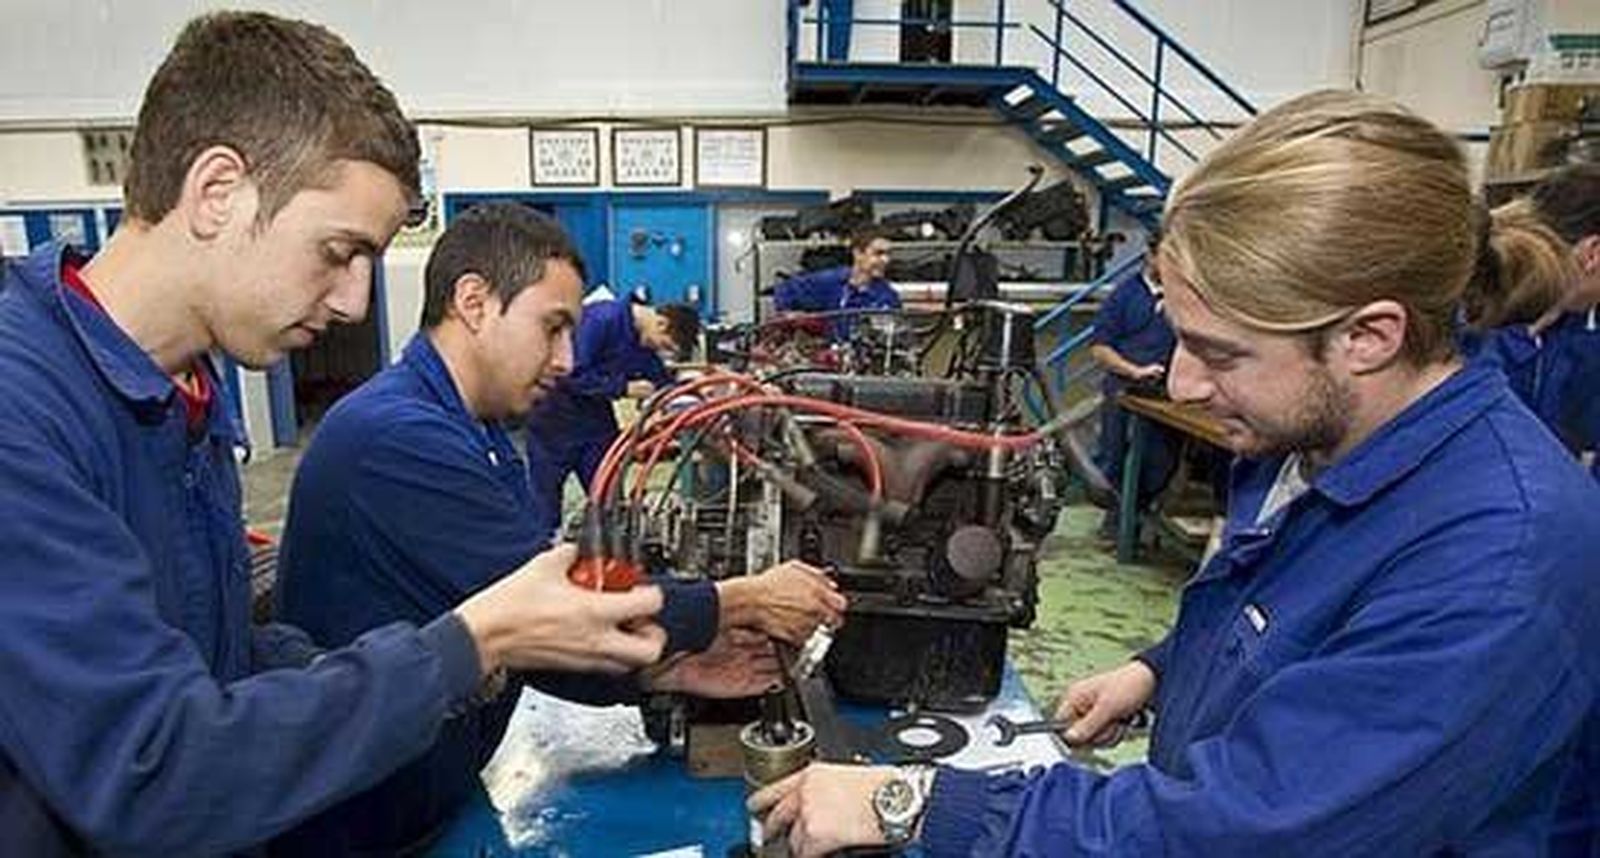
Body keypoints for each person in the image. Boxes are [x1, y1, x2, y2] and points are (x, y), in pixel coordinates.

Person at [748, 90, 1600, 857]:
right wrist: (1160, 669)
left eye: (1221, 351)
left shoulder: (1501, 558)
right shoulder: (1312, 443)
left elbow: (1252, 831)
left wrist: (915, 803)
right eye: (1177, 333)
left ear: (1368, 337)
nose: (1183, 382)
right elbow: (1291, 608)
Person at [0, 13, 672, 855]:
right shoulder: (22, 409)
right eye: (339, 250)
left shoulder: (184, 399)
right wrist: (470, 643)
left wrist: (417, 669)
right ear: (218, 193)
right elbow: (151, 770)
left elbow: (219, 659)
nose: (357, 301)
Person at [273, 203, 847, 855]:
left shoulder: (476, 431)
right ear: (474, 302)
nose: (569, 360)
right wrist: (742, 598)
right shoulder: (397, 438)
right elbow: (565, 600)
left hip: (427, 791)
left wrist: (657, 676)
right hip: (366, 826)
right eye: (552, 328)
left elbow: (523, 626)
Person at [523, 289, 699, 546]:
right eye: (665, 346)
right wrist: (624, 388)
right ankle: (542, 557)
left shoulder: (641, 342)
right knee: (545, 504)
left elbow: (661, 382)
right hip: (554, 420)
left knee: (610, 499)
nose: (660, 352)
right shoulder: (603, 319)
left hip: (594, 423)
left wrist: (695, 393)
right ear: (662, 323)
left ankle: (611, 555)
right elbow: (571, 374)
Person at [1088, 237, 1180, 538]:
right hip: (1124, 388)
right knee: (1113, 456)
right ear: (1150, 256)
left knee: (1161, 461)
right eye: (1167, 258)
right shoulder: (1124, 295)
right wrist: (1134, 371)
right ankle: (1117, 521)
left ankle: (1136, 511)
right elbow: (1100, 348)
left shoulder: (1182, 298)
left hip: (1167, 395)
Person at [773, 224, 900, 341]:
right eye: (878, 254)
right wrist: (797, 319)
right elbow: (784, 291)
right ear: (857, 253)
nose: (886, 260)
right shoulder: (829, 282)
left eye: (889, 254)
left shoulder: (888, 297)